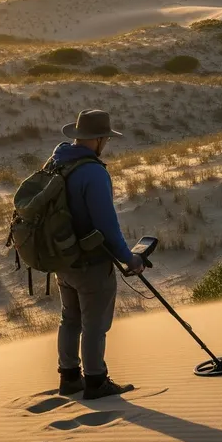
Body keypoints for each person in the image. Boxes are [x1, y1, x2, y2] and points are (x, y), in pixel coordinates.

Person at [50, 109, 145, 399]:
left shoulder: (57, 162)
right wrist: (129, 258)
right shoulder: (92, 172)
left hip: (62, 259)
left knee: (70, 318)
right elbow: (107, 224)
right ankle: (95, 381)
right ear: (100, 138)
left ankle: (69, 378)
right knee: (95, 324)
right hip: (91, 262)